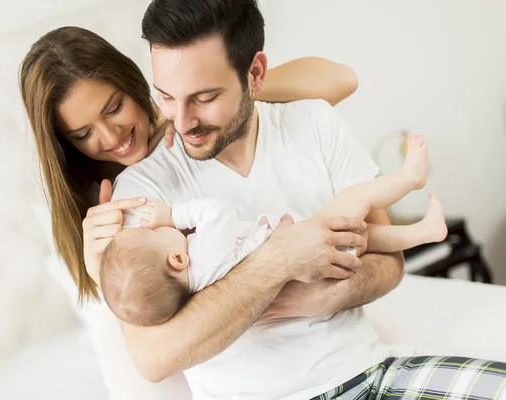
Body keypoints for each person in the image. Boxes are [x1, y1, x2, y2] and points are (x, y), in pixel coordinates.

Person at [102, 0, 506, 399]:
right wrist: (278, 261)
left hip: (372, 373)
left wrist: (329, 295)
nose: (183, 121)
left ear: (255, 73)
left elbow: (388, 262)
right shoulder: (142, 194)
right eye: (167, 97)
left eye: (204, 98)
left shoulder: (314, 121)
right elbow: (156, 359)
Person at [19, 23, 363, 399]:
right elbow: (152, 360)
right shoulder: (111, 207)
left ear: (133, 82)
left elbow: (340, 79)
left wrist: (188, 104)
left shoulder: (192, 128)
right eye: (83, 134)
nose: (110, 136)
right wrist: (97, 271)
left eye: (114, 107)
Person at [101, 135, 449, 328]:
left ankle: (423, 232)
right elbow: (218, 212)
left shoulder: (199, 288)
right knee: (355, 197)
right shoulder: (201, 255)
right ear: (176, 259)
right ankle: (412, 179)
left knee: (363, 236)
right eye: (152, 233)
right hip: (306, 254)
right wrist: (171, 214)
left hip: (306, 269)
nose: (155, 227)